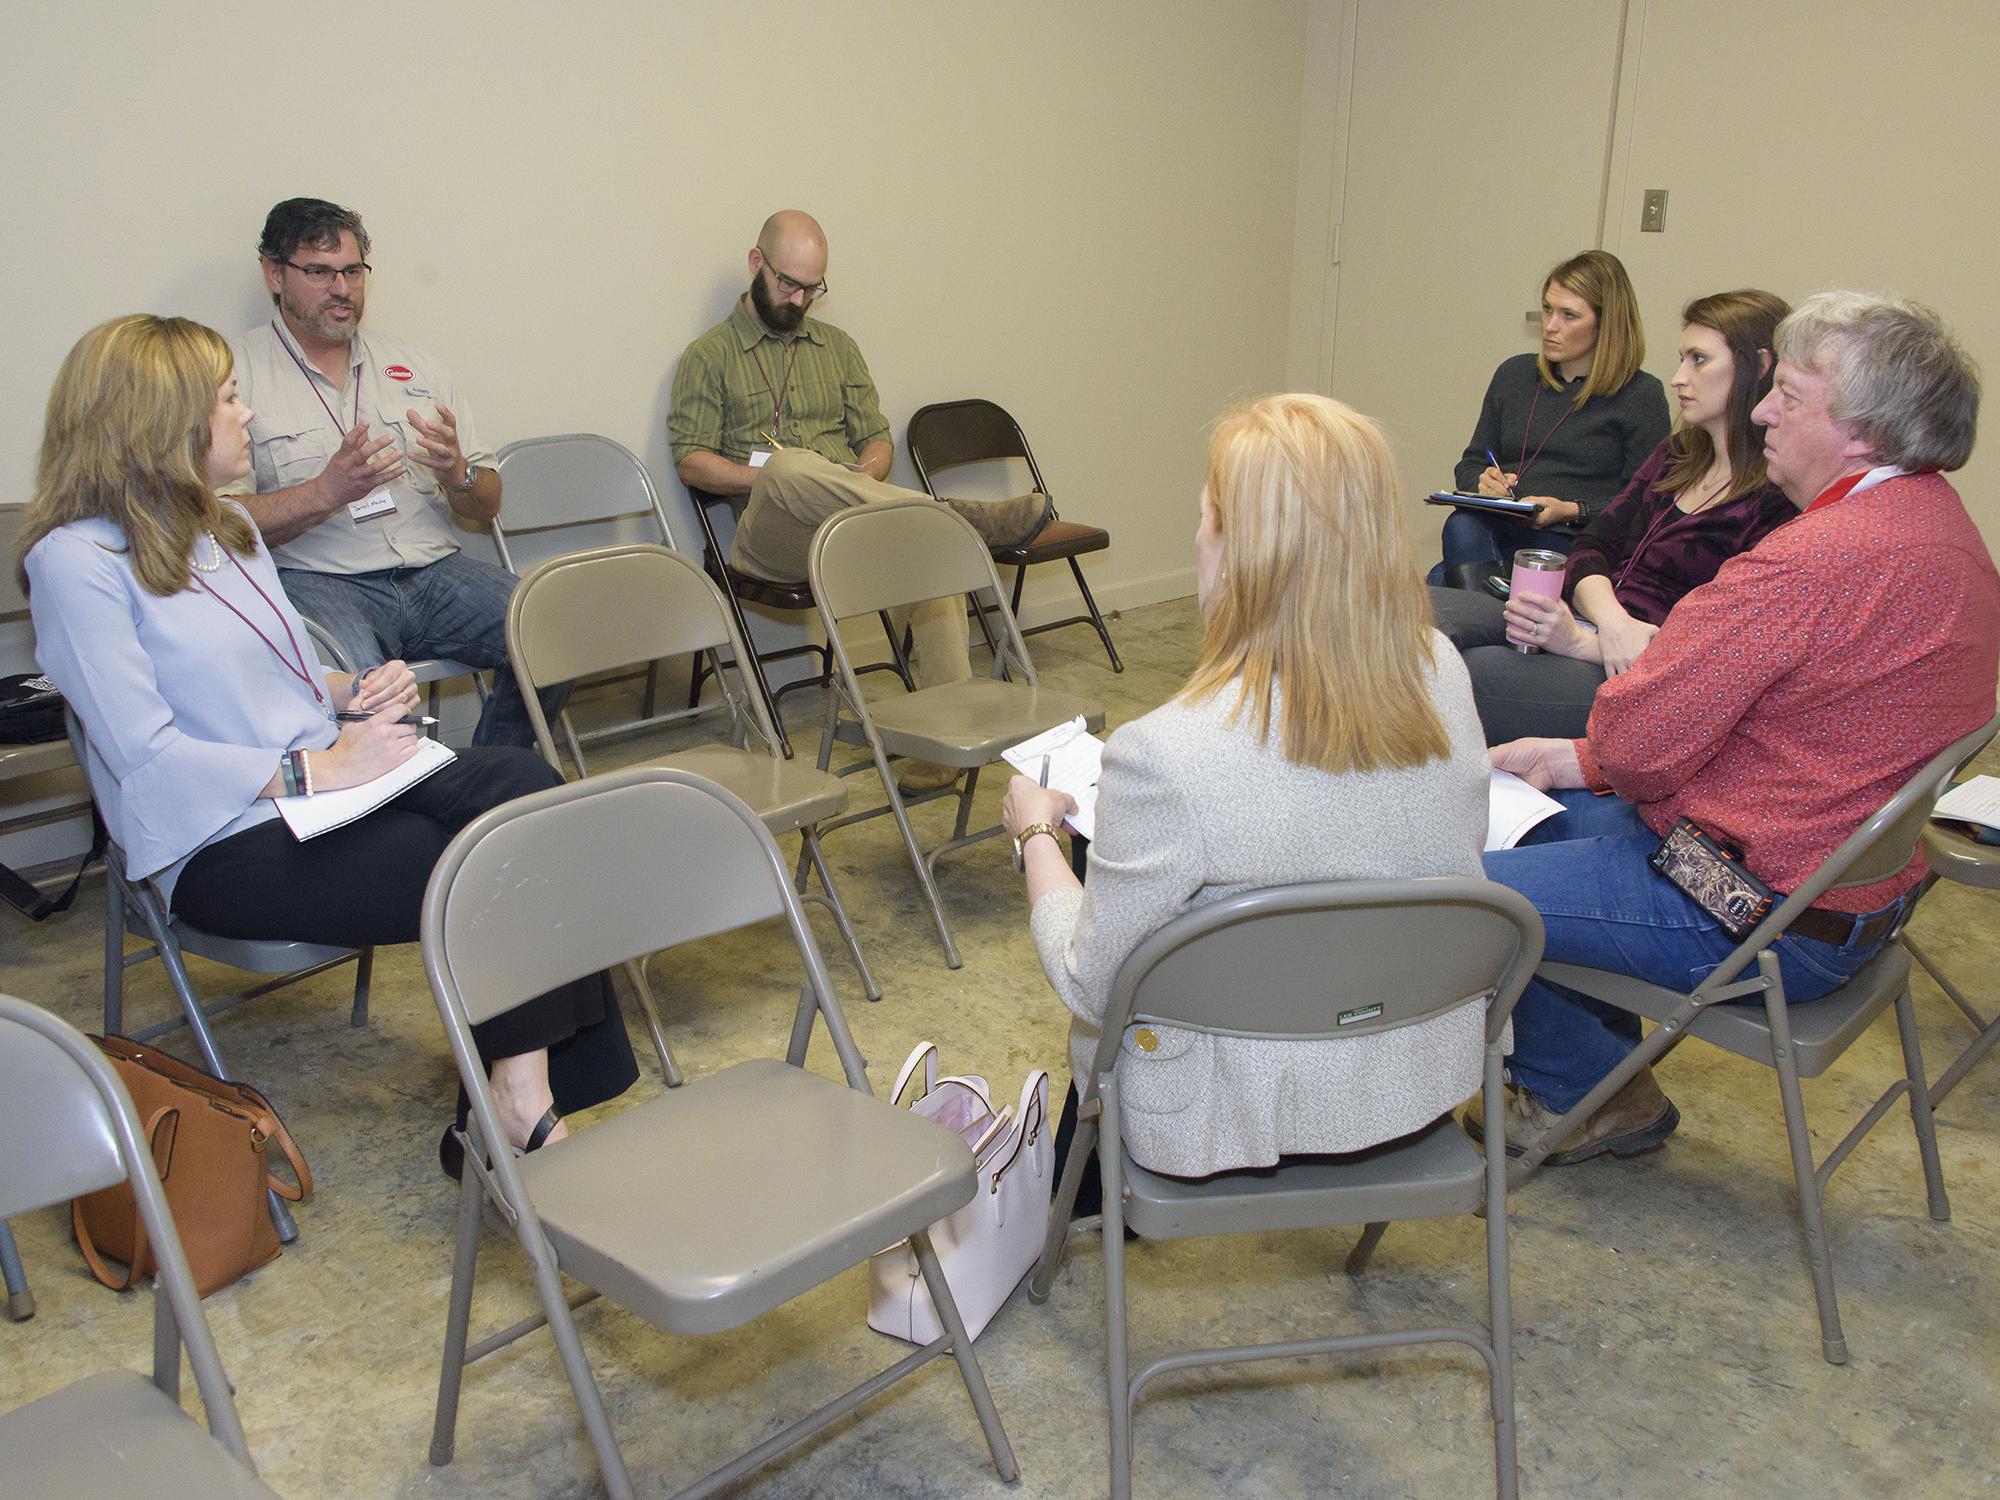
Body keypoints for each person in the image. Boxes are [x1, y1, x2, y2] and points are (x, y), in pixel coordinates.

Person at [18, 315, 637, 1165]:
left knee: (529, 794)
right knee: (491, 857)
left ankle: (515, 1098)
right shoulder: (75, 562)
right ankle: (521, 1110)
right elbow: (145, 755)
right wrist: (313, 768)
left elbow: (289, 678)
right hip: (222, 840)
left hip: (328, 788)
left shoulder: (225, 528)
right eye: (228, 398)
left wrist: (356, 690)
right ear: (165, 421)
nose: (243, 415)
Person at [1479, 291, 1999, 1163]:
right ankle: (1608, 1083)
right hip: (1854, 895)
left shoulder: (1812, 561)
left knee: (1459, 896)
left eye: (1787, 395)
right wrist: (1578, 758)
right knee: (1538, 820)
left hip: (1762, 914)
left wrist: (1605, 741)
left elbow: (1643, 744)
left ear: (1862, 429)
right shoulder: (1946, 531)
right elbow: (1786, 730)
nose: (1760, 412)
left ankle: (1586, 1090)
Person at [1001, 393, 1491, 1204]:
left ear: (1239, 548)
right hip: (1410, 1085)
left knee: (1097, 925)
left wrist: (1035, 837)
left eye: (1205, 519)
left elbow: (1092, 984)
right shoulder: (1440, 668)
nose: (1196, 538)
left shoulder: (1165, 754)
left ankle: (1074, 1208)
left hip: (1231, 1119)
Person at [667, 210, 1046, 790]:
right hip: (772, 538)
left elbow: (875, 441)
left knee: (932, 560)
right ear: (755, 263)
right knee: (794, 465)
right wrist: (773, 477)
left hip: (850, 526)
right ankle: (948, 518)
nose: (797, 300)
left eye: (810, 289)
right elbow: (691, 459)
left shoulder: (837, 349)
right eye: (787, 283)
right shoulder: (709, 356)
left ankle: (943, 750)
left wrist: (856, 473)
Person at [225, 198, 560, 749]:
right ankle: (401, 815)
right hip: (318, 580)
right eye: (319, 272)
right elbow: (216, 523)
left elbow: (486, 503)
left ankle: (495, 785)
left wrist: (458, 476)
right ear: (274, 274)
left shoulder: (415, 366)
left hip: (432, 572)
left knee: (551, 630)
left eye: (353, 272)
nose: (342, 289)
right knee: (369, 699)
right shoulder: (233, 376)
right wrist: (324, 493)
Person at [1432, 290, 1796, 741]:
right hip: (1591, 621)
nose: (1679, 377)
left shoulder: (1778, 495)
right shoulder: (1679, 454)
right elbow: (1593, 545)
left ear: (1759, 367)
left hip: (1639, 673)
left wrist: (1586, 643)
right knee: (1413, 615)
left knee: (1466, 677)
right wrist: (1610, 620)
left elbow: (1717, 650)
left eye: (1699, 360)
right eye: (1682, 358)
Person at [1434, 249, 1670, 580]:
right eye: (1547, 310)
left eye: (1569, 316)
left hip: (1571, 539)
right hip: (1497, 527)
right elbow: (1471, 463)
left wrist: (1570, 510)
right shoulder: (1514, 375)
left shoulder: (1640, 395)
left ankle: (1491, 613)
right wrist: (1483, 483)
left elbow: (1646, 502)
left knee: (1442, 579)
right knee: (1461, 524)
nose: (1550, 326)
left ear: (1606, 324)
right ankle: (1498, 616)